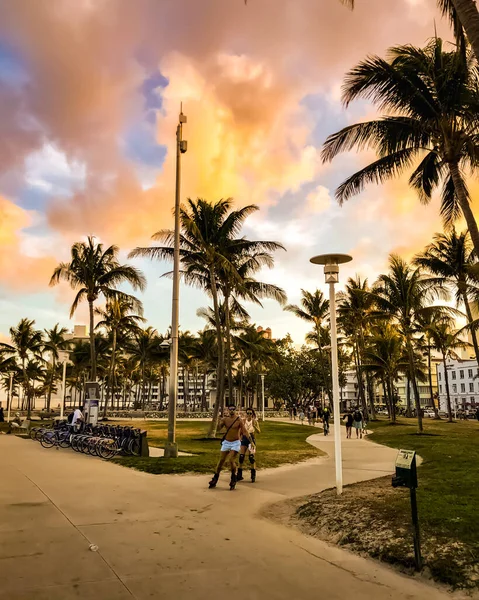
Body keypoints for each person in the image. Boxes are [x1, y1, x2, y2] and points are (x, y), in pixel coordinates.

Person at [209, 404, 253, 490]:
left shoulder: (238, 420)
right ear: (228, 410)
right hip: (226, 442)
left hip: (235, 443)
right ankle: (215, 478)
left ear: (235, 410)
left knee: (231, 460)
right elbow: (218, 429)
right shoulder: (225, 419)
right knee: (221, 460)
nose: (232, 411)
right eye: (230, 409)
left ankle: (233, 477)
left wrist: (251, 442)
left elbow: (244, 432)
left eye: (233, 409)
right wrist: (218, 421)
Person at [237, 407, 261, 483]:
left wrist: (255, 426)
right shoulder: (243, 421)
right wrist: (239, 438)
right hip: (244, 439)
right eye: (248, 413)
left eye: (250, 413)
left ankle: (253, 475)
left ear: (252, 414)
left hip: (251, 439)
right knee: (241, 457)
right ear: (246, 414)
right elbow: (240, 431)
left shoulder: (254, 422)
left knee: (251, 457)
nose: (249, 415)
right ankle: (239, 475)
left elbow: (259, 431)